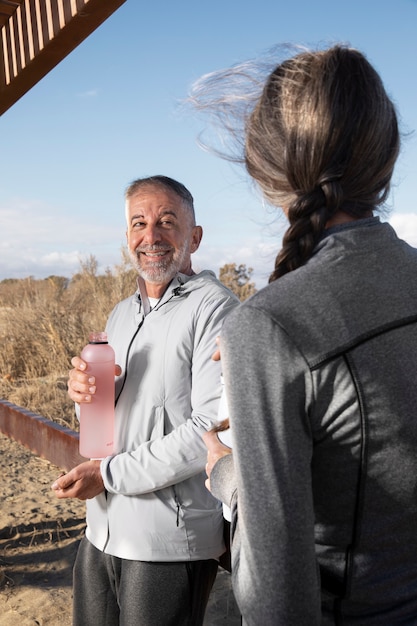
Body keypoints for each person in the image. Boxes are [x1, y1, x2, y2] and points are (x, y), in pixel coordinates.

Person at [195, 45, 417, 624]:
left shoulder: (267, 326)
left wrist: (224, 472)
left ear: (263, 167)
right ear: (387, 156)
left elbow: (279, 603)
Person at [51, 175, 239, 626]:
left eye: (166, 221)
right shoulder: (120, 313)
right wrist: (83, 397)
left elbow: (207, 433)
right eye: (139, 223)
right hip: (100, 531)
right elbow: (105, 423)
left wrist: (108, 475)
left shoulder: (217, 309)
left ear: (193, 237)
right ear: (127, 238)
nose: (150, 236)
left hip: (168, 543)